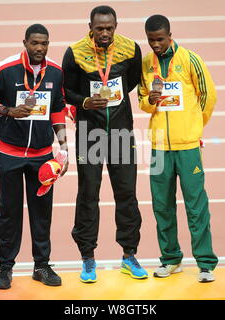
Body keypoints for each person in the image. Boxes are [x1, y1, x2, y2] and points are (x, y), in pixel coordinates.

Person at [62, 5, 148, 283]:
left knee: (127, 194)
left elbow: (132, 81)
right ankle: (87, 258)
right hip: (90, 133)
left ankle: (129, 255)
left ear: (116, 25)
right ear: (90, 27)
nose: (105, 33)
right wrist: (85, 102)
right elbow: (67, 91)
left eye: (109, 28)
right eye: (99, 28)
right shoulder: (74, 53)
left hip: (121, 133)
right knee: (88, 194)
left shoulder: (130, 49)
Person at [0, 24, 68, 289]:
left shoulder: (55, 72)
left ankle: (41, 265)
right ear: (25, 43)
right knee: (9, 211)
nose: (39, 48)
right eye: (34, 43)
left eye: (44, 44)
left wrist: (63, 147)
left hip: (42, 156)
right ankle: (5, 267)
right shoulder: (6, 69)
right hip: (9, 154)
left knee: (42, 212)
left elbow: (58, 109)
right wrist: (7, 110)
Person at [138, 15, 219, 282]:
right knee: (162, 206)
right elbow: (142, 101)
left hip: (187, 146)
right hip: (159, 147)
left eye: (160, 39)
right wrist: (150, 101)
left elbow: (208, 96)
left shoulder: (189, 59)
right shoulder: (146, 64)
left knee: (196, 206)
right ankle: (171, 259)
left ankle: (205, 263)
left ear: (170, 35)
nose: (156, 44)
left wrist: (194, 127)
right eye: (151, 40)